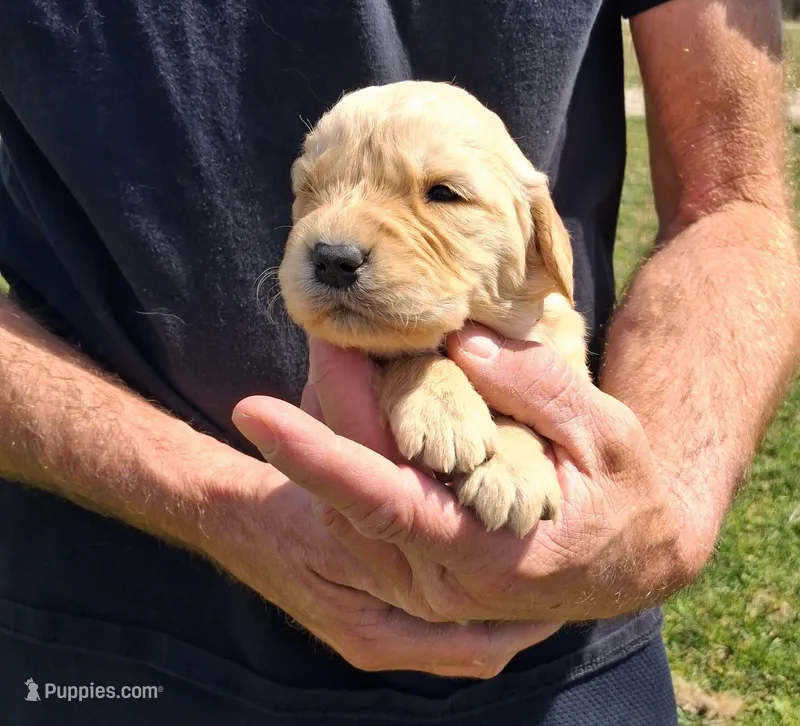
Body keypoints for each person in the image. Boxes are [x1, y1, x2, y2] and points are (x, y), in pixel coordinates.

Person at [0, 0, 796, 723]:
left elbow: (734, 202)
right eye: (314, 191)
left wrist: (660, 506)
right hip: (113, 634)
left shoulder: (537, 304)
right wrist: (218, 504)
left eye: (440, 196)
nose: (337, 239)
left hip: (555, 664)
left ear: (540, 238)